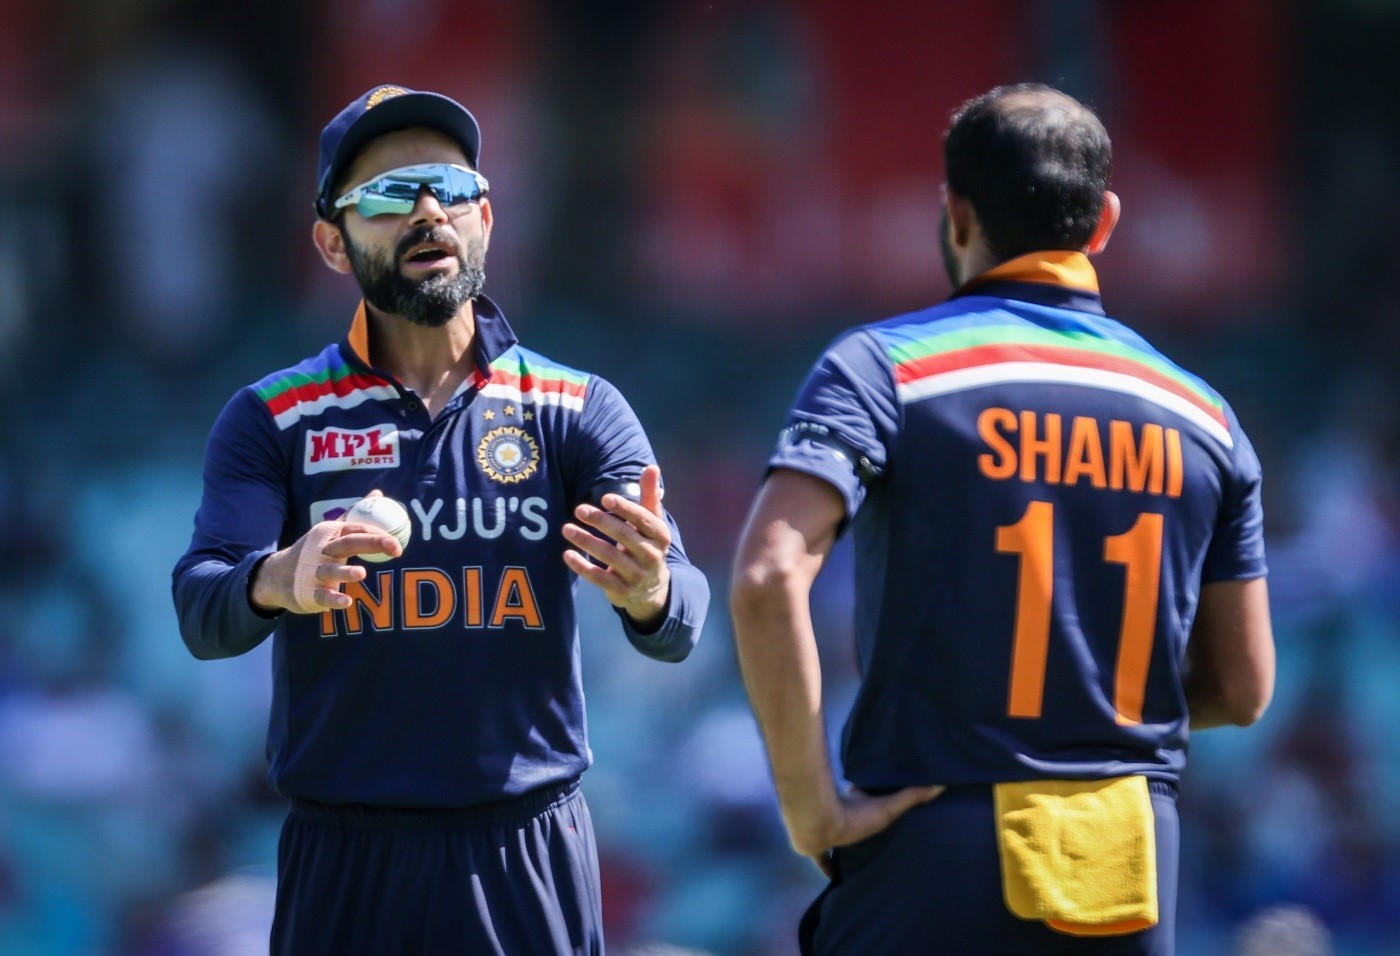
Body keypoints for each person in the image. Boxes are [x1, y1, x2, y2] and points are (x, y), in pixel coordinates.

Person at [729, 83, 1274, 955]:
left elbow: (767, 576)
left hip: (928, 842)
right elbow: (1243, 689)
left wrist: (811, 807)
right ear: (1103, 223)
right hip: (1122, 869)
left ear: (955, 213)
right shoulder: (1207, 416)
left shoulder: (883, 368)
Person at [172, 84, 709, 955]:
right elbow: (202, 610)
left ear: (484, 219)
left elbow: (681, 619)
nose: (428, 212)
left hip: (524, 846)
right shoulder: (273, 417)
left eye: (452, 189)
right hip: (346, 853)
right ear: (333, 244)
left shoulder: (576, 408)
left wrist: (649, 590)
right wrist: (278, 579)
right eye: (389, 195)